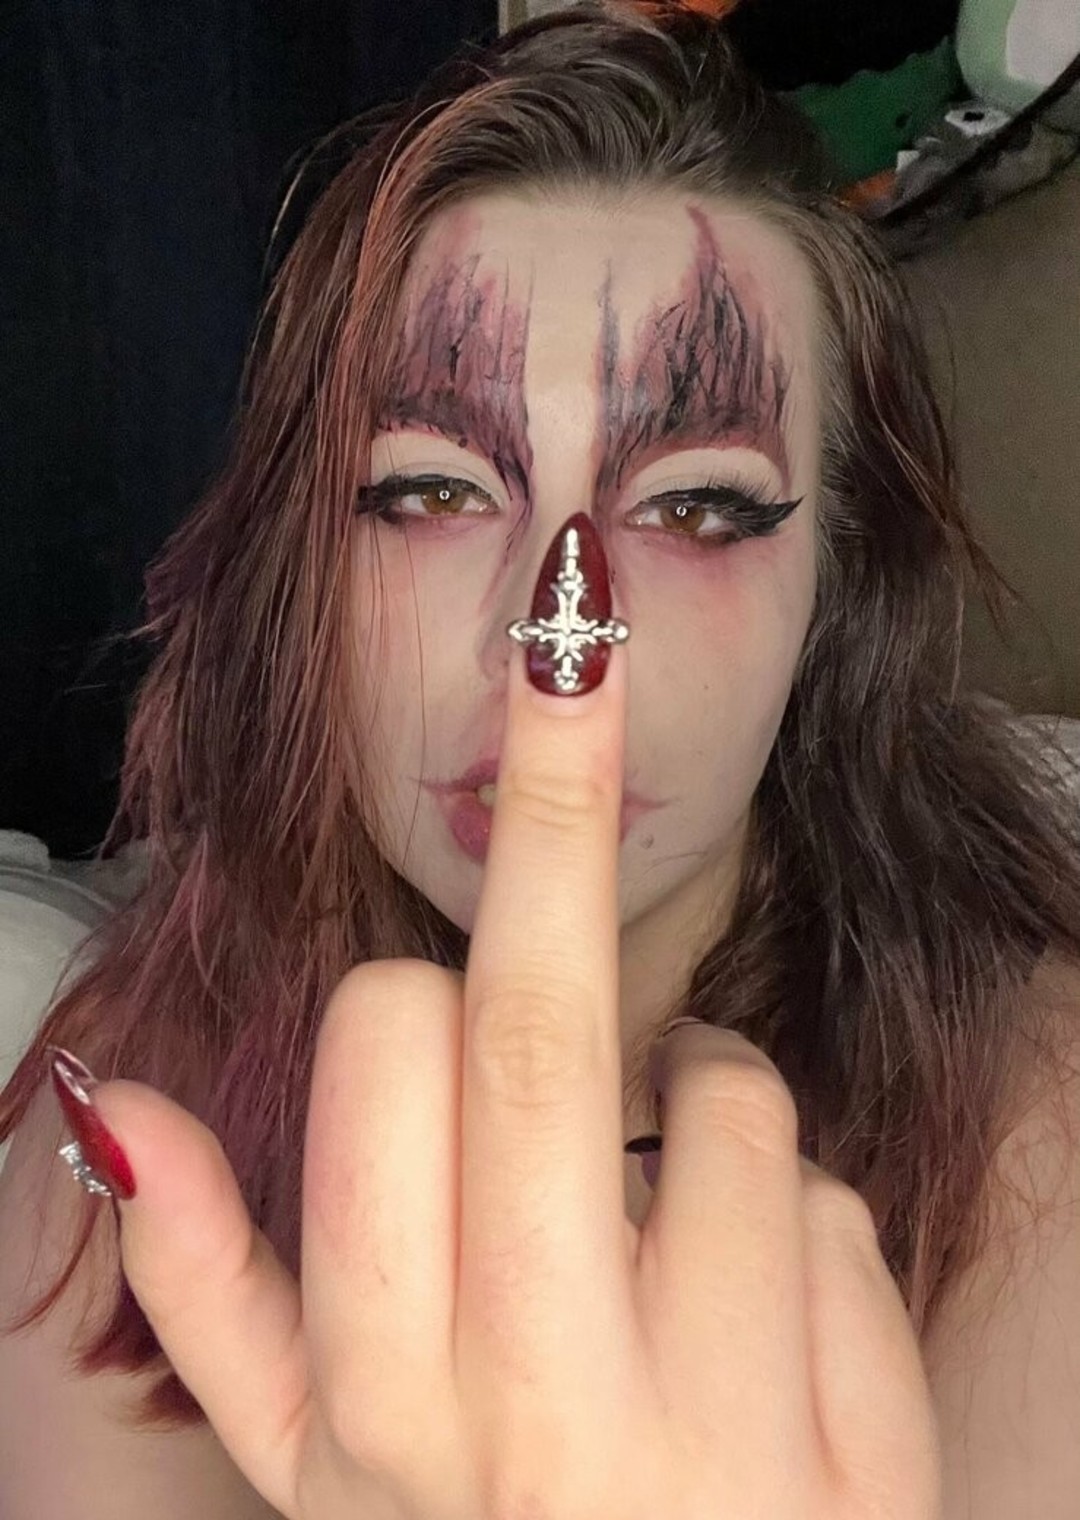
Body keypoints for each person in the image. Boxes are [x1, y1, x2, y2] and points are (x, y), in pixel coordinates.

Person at [3, 1, 1080, 1515]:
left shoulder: (1034, 1132)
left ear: (834, 588)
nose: (548, 625)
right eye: (430, 492)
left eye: (698, 507)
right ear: (297, 568)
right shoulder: (128, 1111)